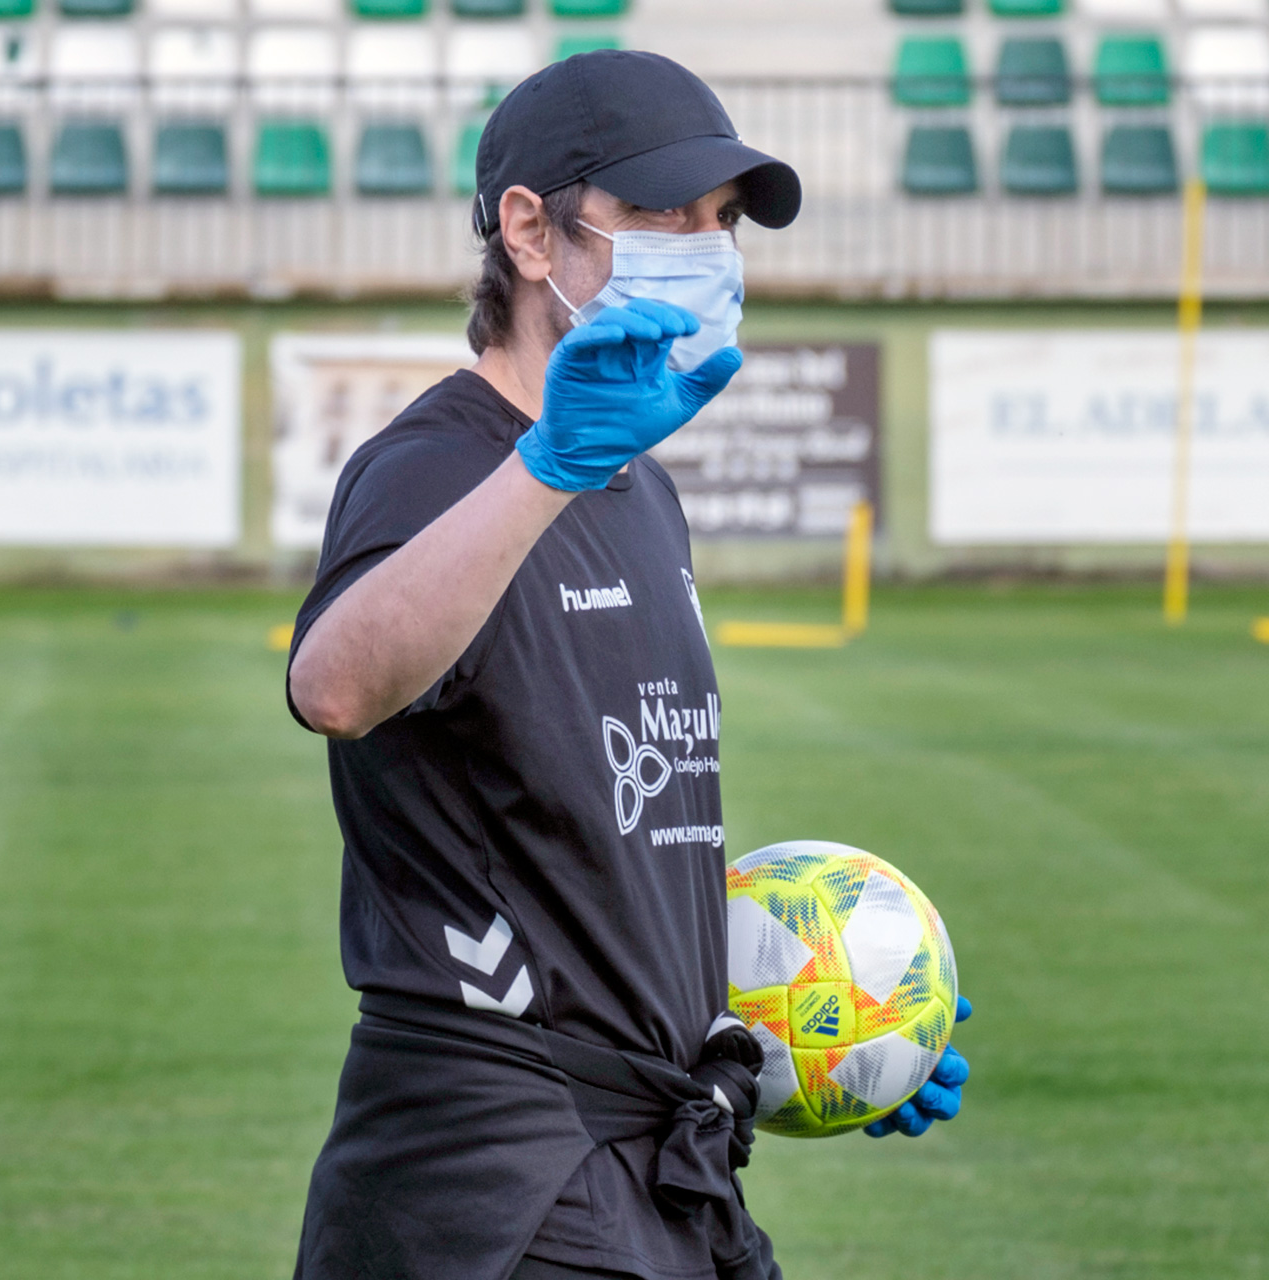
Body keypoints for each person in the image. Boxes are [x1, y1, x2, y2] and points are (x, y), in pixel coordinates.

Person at [284, 50, 970, 1280]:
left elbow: (602, 833)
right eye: (662, 215)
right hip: (493, 1183)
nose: (705, 249)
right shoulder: (437, 465)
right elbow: (334, 685)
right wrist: (544, 465)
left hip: (646, 1161)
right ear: (530, 230)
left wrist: (804, 1023)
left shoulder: (639, 484)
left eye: (720, 223)